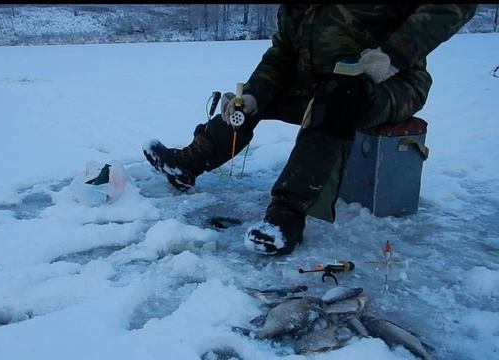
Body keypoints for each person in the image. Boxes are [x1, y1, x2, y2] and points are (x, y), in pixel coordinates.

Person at [143, 5, 477, 256]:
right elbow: (282, 55)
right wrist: (255, 94)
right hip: (315, 84)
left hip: (391, 84)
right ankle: (189, 163)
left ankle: (287, 212)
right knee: (249, 100)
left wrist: (392, 55)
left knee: (337, 97)